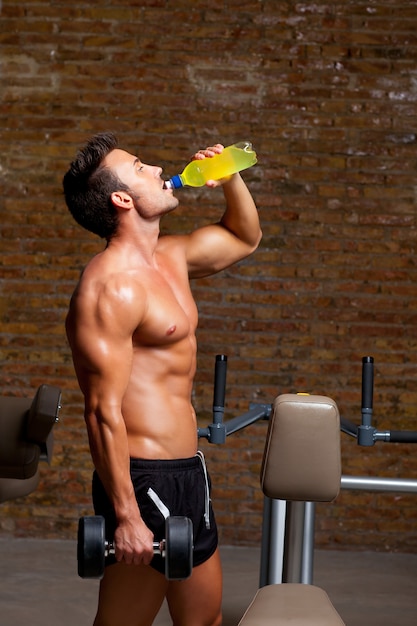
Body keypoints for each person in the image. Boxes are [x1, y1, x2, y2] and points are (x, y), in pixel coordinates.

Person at [63, 132, 262, 626]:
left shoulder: (170, 258)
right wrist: (127, 516)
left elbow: (244, 238)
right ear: (122, 199)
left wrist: (228, 178)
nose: (156, 170)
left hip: (188, 470)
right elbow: (100, 410)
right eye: (139, 167)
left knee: (205, 620)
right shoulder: (110, 287)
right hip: (143, 478)